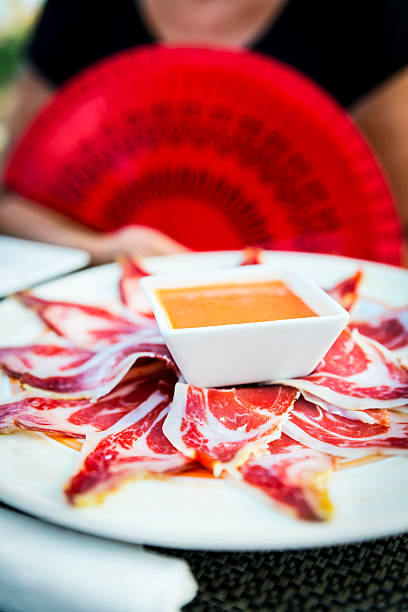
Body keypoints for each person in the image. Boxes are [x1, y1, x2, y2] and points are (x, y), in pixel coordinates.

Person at [1, 0, 408, 263]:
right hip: (113, 326)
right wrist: (104, 251)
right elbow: (10, 205)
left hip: (316, 319)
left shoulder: (366, 14)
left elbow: (397, 225)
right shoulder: (82, 11)